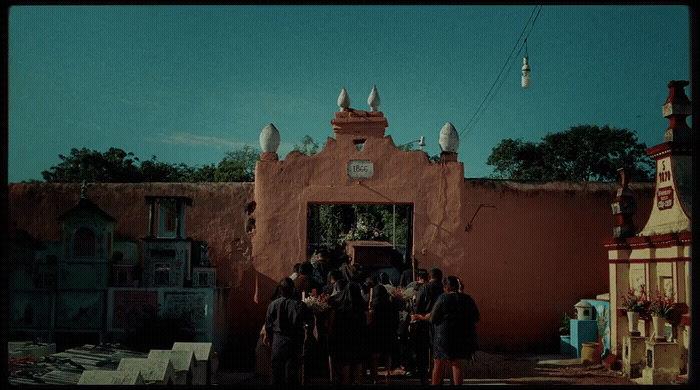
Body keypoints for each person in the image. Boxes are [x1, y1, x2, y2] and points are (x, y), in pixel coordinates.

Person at [429, 276, 479, 385]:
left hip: (443, 337)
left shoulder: (442, 298)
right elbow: (476, 317)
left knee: (438, 365)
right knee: (458, 365)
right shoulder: (468, 299)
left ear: (446, 287)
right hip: (461, 336)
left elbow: (433, 318)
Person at [265, 277, 315, 385]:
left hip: (278, 342)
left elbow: (268, 326)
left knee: (276, 375)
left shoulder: (272, 305)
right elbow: (310, 322)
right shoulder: (300, 305)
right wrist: (308, 337)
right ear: (292, 289)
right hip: (294, 342)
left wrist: (271, 340)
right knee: (291, 376)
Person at [328, 281, 367, 384]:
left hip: (343, 335)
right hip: (357, 335)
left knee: (345, 361)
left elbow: (332, 320)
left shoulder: (338, 304)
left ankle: (345, 381)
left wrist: (331, 332)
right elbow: (367, 321)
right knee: (358, 359)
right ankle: (357, 380)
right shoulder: (361, 304)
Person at [411, 267, 444, 385]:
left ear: (429, 277)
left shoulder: (424, 288)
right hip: (440, 326)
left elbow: (417, 307)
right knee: (438, 356)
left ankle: (424, 379)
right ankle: (438, 379)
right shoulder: (444, 289)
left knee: (422, 353)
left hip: (424, 324)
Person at [367, 283, 399, 384]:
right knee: (387, 353)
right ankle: (387, 372)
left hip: (375, 332)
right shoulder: (390, 305)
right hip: (388, 332)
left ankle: (376, 376)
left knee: (375, 355)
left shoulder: (374, 306)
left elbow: (369, 321)